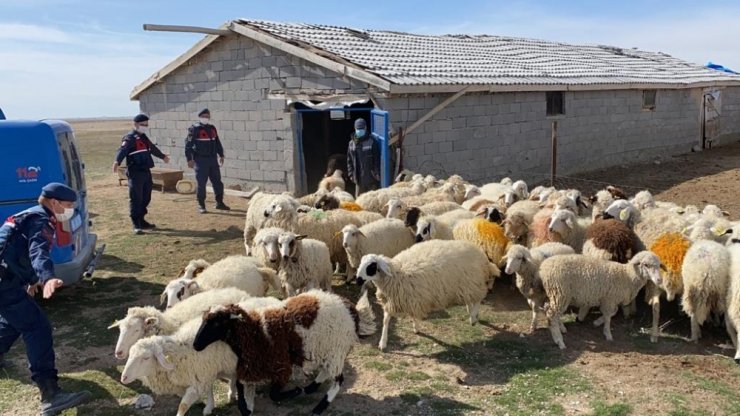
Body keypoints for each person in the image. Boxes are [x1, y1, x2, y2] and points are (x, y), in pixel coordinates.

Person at [0, 183, 91, 415]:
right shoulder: (42, 220)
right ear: (54, 203)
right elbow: (37, 251)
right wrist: (47, 277)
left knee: (14, 320)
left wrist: (29, 281)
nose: (71, 211)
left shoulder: (27, 215)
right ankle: (51, 395)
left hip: (7, 280)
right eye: (69, 206)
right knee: (37, 328)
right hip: (4, 283)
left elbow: (14, 250)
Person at [112, 114, 170, 234]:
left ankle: (142, 220)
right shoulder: (130, 138)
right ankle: (136, 223)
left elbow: (152, 148)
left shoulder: (143, 137)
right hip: (135, 172)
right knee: (136, 197)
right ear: (136, 124)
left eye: (146, 124)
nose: (145, 127)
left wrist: (162, 156)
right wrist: (117, 161)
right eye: (143, 125)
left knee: (146, 196)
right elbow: (122, 150)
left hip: (145, 171)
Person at [185, 108, 230, 214]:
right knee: (201, 183)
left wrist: (221, 154)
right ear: (200, 116)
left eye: (207, 116)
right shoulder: (193, 129)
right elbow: (188, 146)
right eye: (204, 116)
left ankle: (219, 203)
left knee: (217, 182)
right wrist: (189, 159)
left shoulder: (212, 128)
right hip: (200, 160)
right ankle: (201, 205)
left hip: (212, 159)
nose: (206, 118)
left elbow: (217, 142)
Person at [347, 118, 381, 196]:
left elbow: (377, 159)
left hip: (371, 179)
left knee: (372, 201)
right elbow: (349, 160)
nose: (359, 131)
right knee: (359, 202)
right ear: (355, 129)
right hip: (358, 180)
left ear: (365, 128)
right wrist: (351, 174)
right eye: (358, 129)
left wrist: (376, 173)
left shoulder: (372, 142)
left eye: (361, 129)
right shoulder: (351, 144)